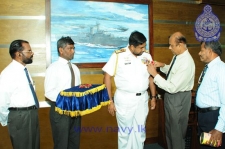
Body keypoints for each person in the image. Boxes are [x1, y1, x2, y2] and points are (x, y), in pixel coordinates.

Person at [102, 31, 157, 149]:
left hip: (142, 98)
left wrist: (153, 97)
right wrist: (110, 101)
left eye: (144, 46)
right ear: (132, 46)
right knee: (125, 132)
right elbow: (107, 77)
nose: (144, 49)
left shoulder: (146, 55)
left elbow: (151, 77)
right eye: (141, 47)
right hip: (124, 99)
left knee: (140, 131)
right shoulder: (118, 55)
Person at [147, 32, 195, 149]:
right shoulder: (178, 56)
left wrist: (154, 74)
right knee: (170, 130)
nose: (169, 48)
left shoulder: (186, 62)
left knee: (176, 133)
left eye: (171, 45)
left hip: (178, 98)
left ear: (181, 44)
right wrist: (162, 65)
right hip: (172, 97)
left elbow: (172, 87)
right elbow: (173, 71)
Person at [0, 39, 40, 149]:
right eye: (29, 51)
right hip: (20, 116)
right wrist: (5, 120)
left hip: (31, 114)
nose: (32, 54)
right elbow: (2, 100)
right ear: (19, 54)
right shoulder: (8, 73)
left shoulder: (24, 70)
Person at [44, 36, 81, 149]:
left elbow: (78, 89)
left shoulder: (75, 68)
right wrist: (67, 100)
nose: (73, 51)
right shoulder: (53, 68)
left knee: (74, 142)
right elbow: (49, 92)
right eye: (70, 48)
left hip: (76, 112)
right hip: (60, 111)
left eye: (73, 48)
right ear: (61, 50)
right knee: (61, 144)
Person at [196, 41, 225, 149]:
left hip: (214, 118)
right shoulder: (208, 68)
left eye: (201, 50)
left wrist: (219, 129)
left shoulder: (221, 69)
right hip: (205, 117)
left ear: (210, 51)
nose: (199, 53)